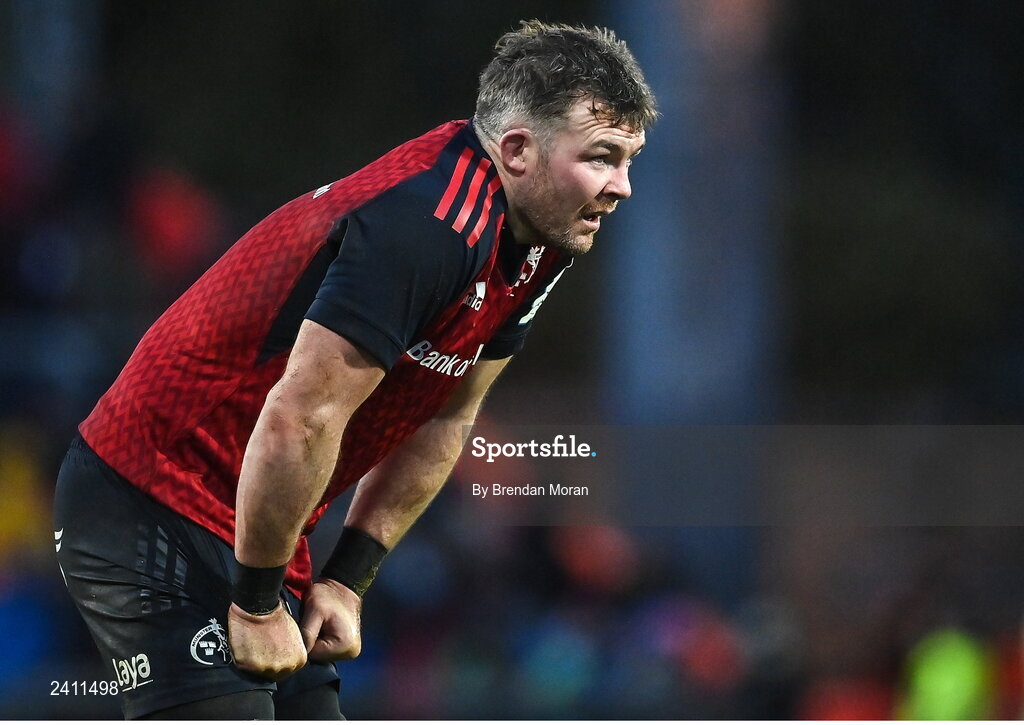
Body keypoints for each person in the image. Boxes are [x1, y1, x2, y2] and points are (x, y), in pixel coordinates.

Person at [53, 19, 656, 720]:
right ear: (518, 150)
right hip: (146, 495)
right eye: (603, 157)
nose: (623, 186)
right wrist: (255, 605)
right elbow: (301, 416)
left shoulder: (544, 239)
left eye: (630, 159)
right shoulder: (427, 227)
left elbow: (446, 414)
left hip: (259, 522)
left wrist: (347, 578)